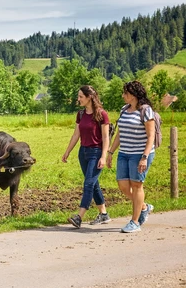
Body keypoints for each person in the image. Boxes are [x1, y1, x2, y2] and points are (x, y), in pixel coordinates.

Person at [107, 81, 156, 233]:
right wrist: (110, 152)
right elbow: (120, 133)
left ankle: (135, 222)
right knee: (122, 185)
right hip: (124, 153)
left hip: (139, 154)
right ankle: (144, 207)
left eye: (125, 93)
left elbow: (151, 136)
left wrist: (144, 157)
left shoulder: (146, 110)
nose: (123, 96)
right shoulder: (124, 109)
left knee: (136, 186)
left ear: (133, 95)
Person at [62, 85, 111, 228]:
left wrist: (103, 156)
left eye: (81, 97)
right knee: (93, 183)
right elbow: (76, 135)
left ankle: (79, 217)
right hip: (83, 152)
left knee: (88, 184)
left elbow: (106, 138)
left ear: (89, 97)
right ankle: (104, 214)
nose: (78, 99)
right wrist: (67, 151)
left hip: (96, 152)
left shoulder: (102, 114)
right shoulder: (81, 114)